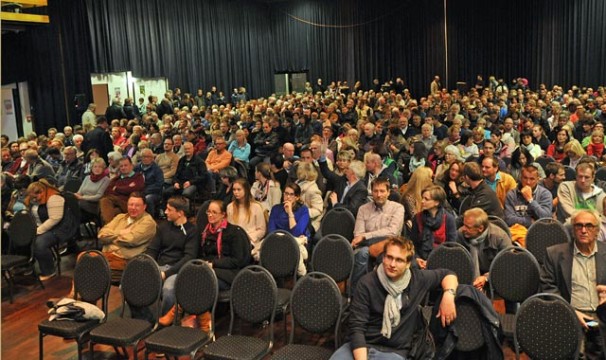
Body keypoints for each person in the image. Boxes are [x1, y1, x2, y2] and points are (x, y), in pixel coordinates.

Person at [330, 236, 458, 360]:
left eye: (399, 260)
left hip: (394, 351)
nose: (392, 264)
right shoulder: (367, 283)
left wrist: (448, 295)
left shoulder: (418, 279)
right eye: (389, 257)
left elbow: (449, 274)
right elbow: (357, 328)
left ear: (408, 264)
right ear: (383, 257)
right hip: (361, 346)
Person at [541, 209, 606, 359]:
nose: (583, 230)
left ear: (597, 230)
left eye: (589, 226)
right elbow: (547, 288)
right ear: (572, 229)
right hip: (570, 314)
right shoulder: (554, 254)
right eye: (579, 226)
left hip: (602, 315)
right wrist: (570, 311)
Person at [145, 196, 198, 323]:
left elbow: (188, 258)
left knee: (168, 290)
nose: (166, 212)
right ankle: (147, 320)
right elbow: (152, 250)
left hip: (178, 270)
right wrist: (150, 266)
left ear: (180, 213)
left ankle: (165, 323)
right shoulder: (163, 227)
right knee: (134, 283)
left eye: (169, 209)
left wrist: (166, 274)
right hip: (160, 266)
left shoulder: (192, 231)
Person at [351, 178, 405, 288]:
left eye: (382, 191)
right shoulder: (363, 209)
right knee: (362, 252)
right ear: (371, 192)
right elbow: (358, 234)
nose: (379, 195)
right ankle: (357, 291)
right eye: (375, 191)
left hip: (389, 245)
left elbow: (393, 232)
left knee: (366, 253)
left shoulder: (397, 208)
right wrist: (364, 238)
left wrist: (366, 236)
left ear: (388, 192)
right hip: (366, 245)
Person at [26, 179, 78, 280]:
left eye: (35, 197)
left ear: (42, 191)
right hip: (41, 226)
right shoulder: (34, 199)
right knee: (22, 237)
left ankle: (49, 271)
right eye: (32, 197)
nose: (34, 200)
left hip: (60, 228)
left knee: (39, 243)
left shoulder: (54, 198)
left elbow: (55, 219)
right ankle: (26, 266)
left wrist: (37, 231)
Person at [98, 192, 156, 281]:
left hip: (125, 261)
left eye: (137, 205)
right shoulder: (120, 217)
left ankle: (87, 293)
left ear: (144, 207)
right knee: (84, 258)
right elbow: (101, 234)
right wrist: (121, 233)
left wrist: (111, 237)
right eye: (131, 204)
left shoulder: (148, 223)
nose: (133, 208)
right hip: (107, 256)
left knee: (90, 266)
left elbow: (130, 240)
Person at [457, 208, 512, 291]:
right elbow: (454, 259)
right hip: (466, 276)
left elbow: (507, 265)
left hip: (495, 276)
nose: (463, 229)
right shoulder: (460, 234)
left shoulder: (500, 237)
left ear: (480, 228)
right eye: (463, 224)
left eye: (468, 227)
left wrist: (486, 277)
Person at [267, 182, 311, 275]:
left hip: (294, 241)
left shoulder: (303, 210)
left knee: (295, 243)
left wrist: (290, 212)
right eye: (286, 193)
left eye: (291, 194)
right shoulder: (276, 209)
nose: (288, 197)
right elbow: (271, 231)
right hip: (278, 241)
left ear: (297, 197)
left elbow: (297, 232)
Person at [410, 185, 457, 264]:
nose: (422, 201)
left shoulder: (448, 219)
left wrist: (433, 261)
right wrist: (417, 259)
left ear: (436, 202)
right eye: (422, 198)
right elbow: (412, 243)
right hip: (420, 259)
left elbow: (451, 246)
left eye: (426, 199)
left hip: (442, 260)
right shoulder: (417, 218)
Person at [227, 178, 266, 260]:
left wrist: (248, 237)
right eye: (234, 190)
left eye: (239, 190)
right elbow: (229, 228)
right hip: (234, 241)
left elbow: (262, 230)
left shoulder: (256, 207)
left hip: (250, 241)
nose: (236, 192)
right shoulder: (230, 207)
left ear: (246, 190)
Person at [99, 157, 145, 225]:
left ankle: (107, 230)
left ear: (131, 166)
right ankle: (110, 230)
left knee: (105, 202)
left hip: (129, 204)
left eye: (125, 165)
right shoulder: (116, 179)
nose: (123, 168)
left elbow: (136, 188)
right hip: (115, 205)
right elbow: (107, 192)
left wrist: (117, 188)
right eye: (121, 166)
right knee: (110, 208)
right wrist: (127, 187)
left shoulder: (138, 177)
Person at [74, 157, 111, 222]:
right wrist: (75, 195)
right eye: (95, 167)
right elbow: (79, 192)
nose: (97, 169)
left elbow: (99, 196)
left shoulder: (106, 179)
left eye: (100, 167)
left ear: (103, 169)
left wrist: (82, 198)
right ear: (91, 168)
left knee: (76, 206)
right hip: (81, 203)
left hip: (94, 206)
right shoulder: (87, 178)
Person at [134, 148, 164, 217]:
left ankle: (150, 219)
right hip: (139, 190)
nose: (145, 158)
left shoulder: (157, 170)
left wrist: (144, 191)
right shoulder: (137, 167)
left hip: (154, 193)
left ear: (152, 158)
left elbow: (159, 184)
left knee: (148, 198)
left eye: (148, 157)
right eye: (143, 157)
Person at [296, 162, 324, 234]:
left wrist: (302, 213)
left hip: (310, 222)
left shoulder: (313, 190)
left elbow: (318, 210)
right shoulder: (297, 183)